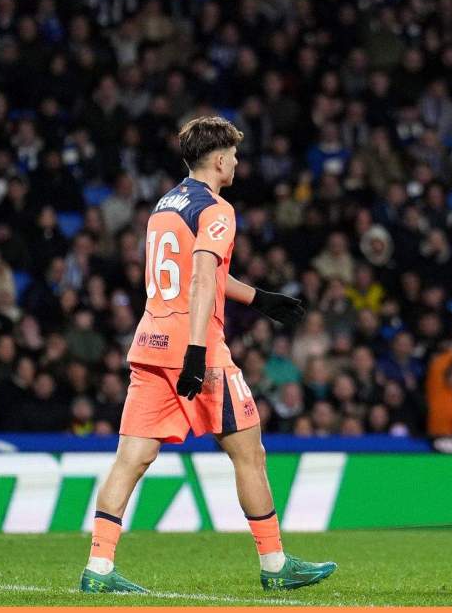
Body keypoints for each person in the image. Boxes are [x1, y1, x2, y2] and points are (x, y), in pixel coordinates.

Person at [79, 116, 336, 593]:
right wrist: (197, 353)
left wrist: (259, 298)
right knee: (250, 452)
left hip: (150, 341)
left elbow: (195, 274)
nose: (237, 162)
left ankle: (98, 568)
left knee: (130, 458)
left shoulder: (165, 204)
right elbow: (199, 279)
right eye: (234, 156)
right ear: (219, 160)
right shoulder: (216, 209)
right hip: (196, 346)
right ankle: (275, 563)